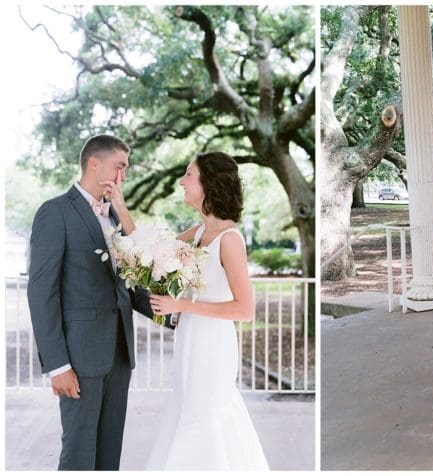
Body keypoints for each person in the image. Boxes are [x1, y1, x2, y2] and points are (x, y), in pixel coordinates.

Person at [27, 134, 169, 470]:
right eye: (119, 167)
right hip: (79, 359)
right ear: (94, 163)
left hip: (120, 355)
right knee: (78, 453)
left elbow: (127, 284)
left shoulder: (116, 216)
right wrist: (57, 365)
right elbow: (41, 292)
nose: (124, 176)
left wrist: (171, 313)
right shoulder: (54, 212)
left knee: (109, 454)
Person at [142, 152, 269, 470]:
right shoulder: (198, 233)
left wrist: (180, 304)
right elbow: (149, 251)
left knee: (205, 414)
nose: (181, 181)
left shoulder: (229, 239)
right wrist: (116, 203)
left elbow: (245, 309)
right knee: (188, 409)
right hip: (190, 337)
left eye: (188, 174)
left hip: (213, 343)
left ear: (207, 184)